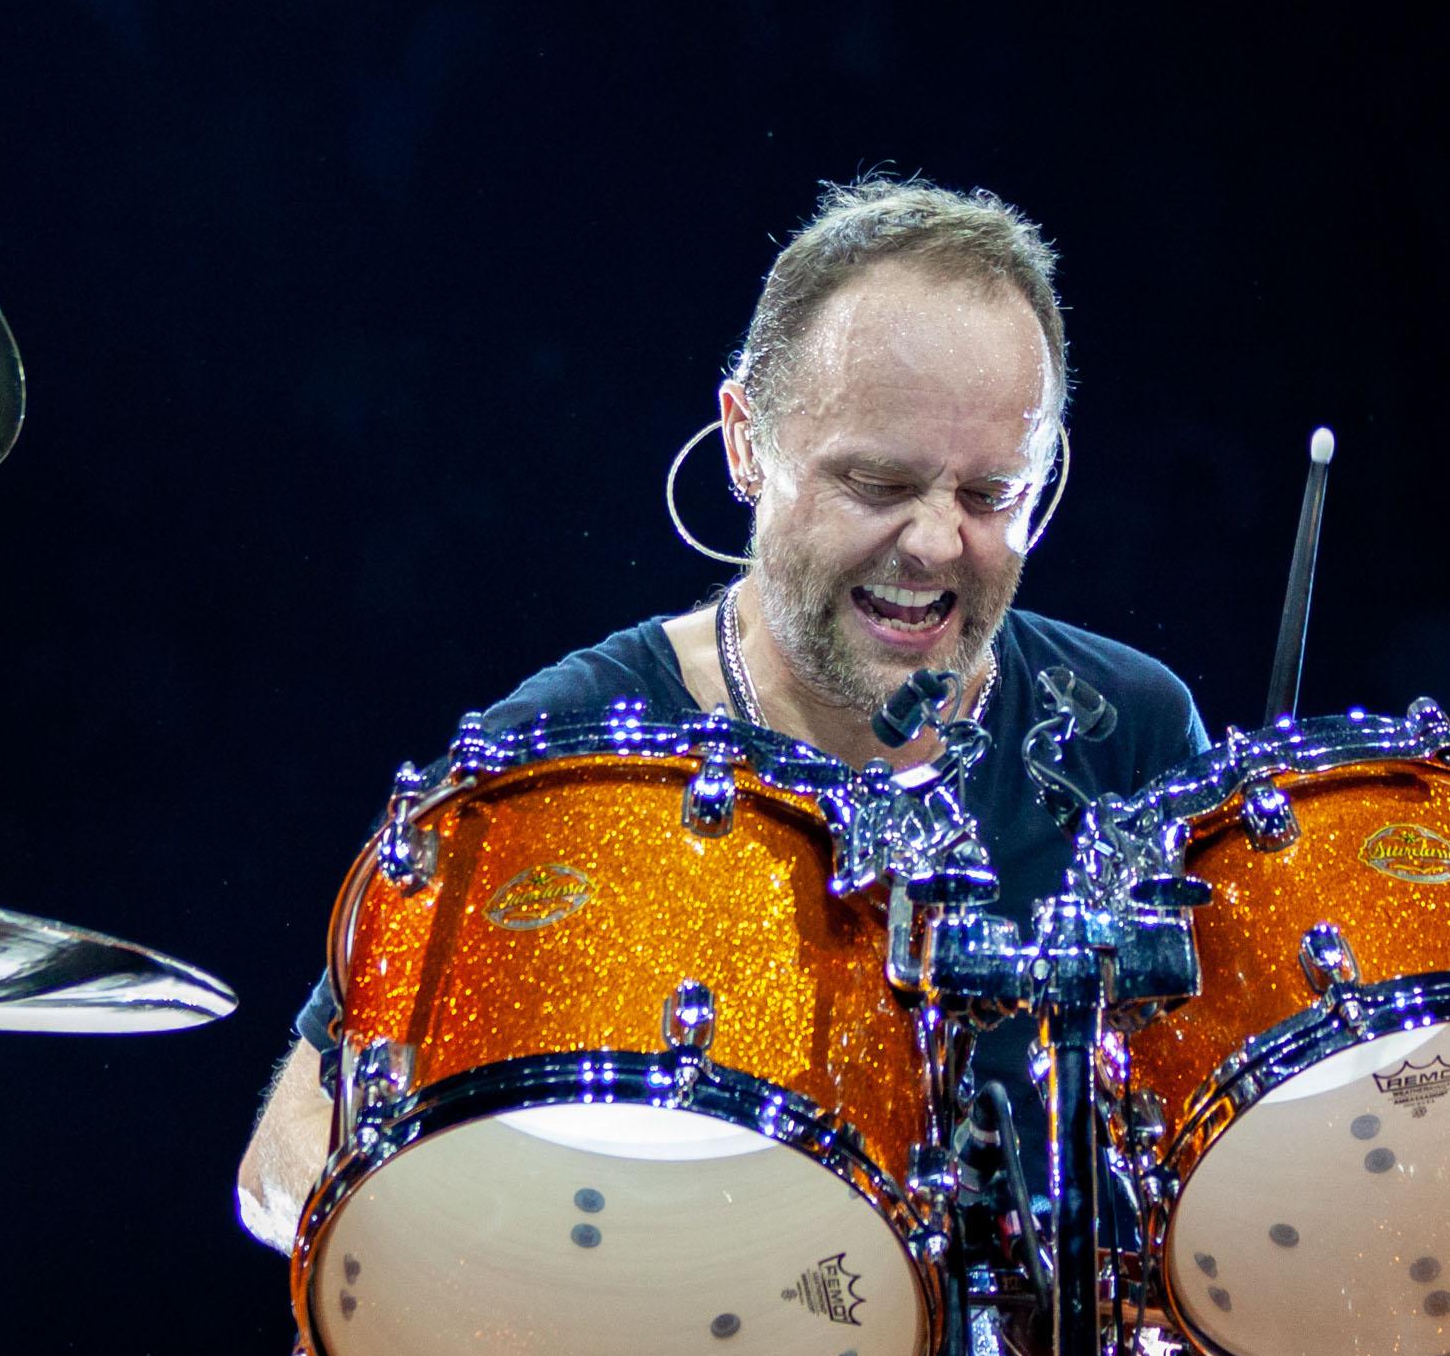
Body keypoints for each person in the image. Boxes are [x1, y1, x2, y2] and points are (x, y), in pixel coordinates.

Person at [235, 175, 1211, 1250]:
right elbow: (290, 1153)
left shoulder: (1127, 731)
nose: (938, 543)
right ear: (746, 441)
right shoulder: (573, 752)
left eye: (991, 494)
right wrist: (522, 1279)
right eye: (878, 484)